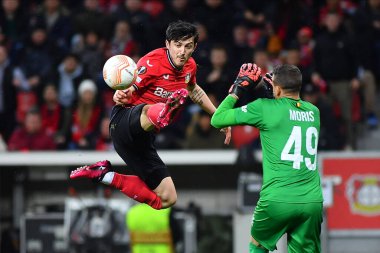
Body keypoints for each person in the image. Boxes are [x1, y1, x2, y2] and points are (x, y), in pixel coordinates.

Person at [70, 21, 231, 210]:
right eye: (178, 45)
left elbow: (194, 90)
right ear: (168, 44)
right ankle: (164, 110)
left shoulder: (190, 67)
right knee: (149, 110)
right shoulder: (152, 62)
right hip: (124, 121)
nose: (182, 52)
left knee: (167, 198)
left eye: (188, 46)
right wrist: (120, 93)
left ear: (195, 47)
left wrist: (219, 116)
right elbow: (130, 89)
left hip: (143, 139)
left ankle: (104, 174)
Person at [211, 64, 323, 253]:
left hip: (277, 198)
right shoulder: (314, 112)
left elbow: (217, 119)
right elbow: (289, 112)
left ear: (276, 88)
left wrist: (238, 88)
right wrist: (277, 93)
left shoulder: (264, 107)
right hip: (311, 201)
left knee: (258, 245)